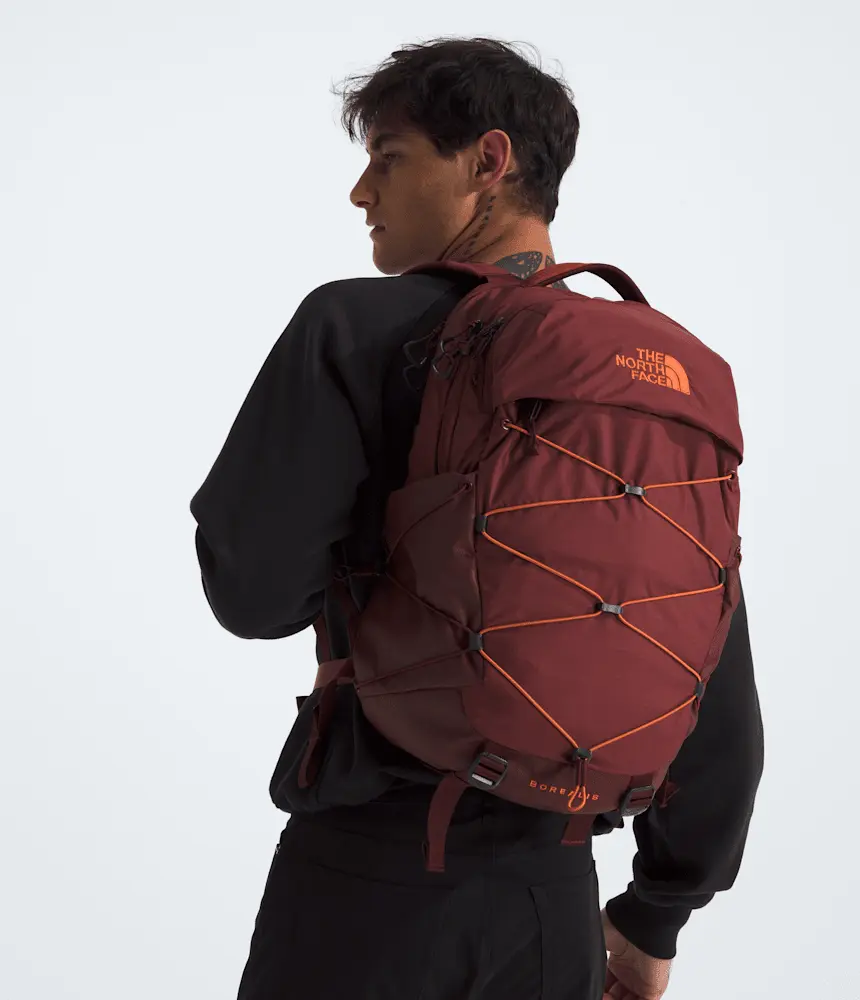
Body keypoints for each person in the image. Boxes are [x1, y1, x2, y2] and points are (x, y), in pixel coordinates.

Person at [189, 36, 764, 1000]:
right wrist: (653, 916)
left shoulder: (353, 327)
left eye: (390, 157)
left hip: (369, 889)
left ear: (487, 162)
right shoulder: (654, 386)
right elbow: (718, 690)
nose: (361, 193)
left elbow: (253, 596)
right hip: (553, 908)